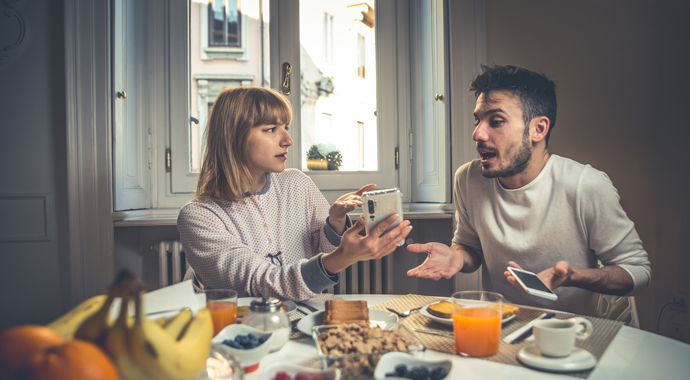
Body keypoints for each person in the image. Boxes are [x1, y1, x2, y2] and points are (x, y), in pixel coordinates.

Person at [406, 65, 651, 315]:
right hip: (497, 327)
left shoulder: (586, 185)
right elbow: (469, 247)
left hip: (570, 336)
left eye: (496, 121)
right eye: (478, 120)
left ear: (538, 129)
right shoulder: (468, 178)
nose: (477, 133)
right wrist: (457, 257)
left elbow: (638, 272)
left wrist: (573, 276)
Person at [178, 86, 412, 301]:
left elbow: (322, 255)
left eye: (285, 128)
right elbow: (259, 284)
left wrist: (335, 223)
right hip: (241, 332)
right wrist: (344, 257)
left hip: (301, 317)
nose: (288, 140)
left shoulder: (298, 183)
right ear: (233, 138)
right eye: (271, 129)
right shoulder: (198, 217)